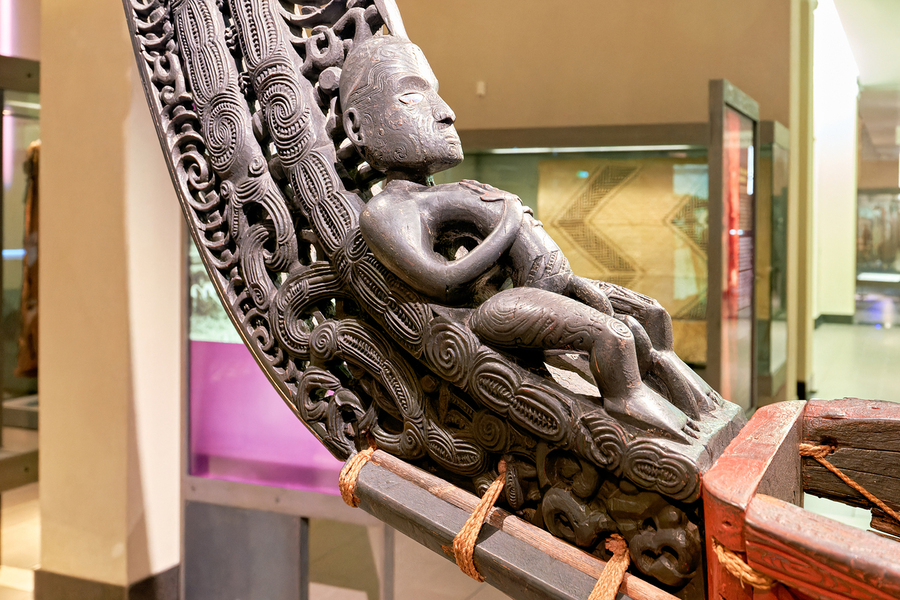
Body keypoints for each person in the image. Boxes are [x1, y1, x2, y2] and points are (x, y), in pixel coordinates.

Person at [340, 35, 714, 439]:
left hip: (545, 285)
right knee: (614, 335)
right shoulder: (389, 209)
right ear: (358, 127)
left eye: (436, 92)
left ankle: (698, 402)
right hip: (497, 310)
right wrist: (508, 225)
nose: (446, 112)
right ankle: (630, 404)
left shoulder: (437, 193)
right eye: (412, 95)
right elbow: (443, 282)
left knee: (650, 317)